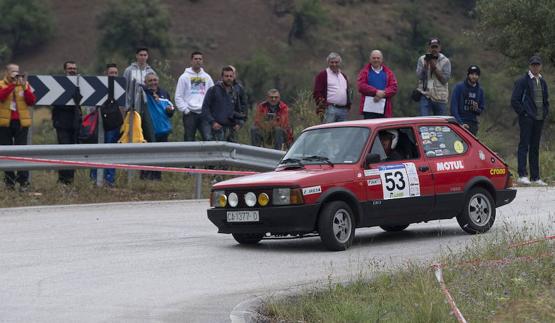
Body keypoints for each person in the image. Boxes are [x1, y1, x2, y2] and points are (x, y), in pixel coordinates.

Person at [511, 55, 550, 186]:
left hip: (539, 119)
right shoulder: (523, 81)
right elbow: (515, 100)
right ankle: (522, 175)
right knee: (524, 145)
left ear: (541, 66)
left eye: (538, 65)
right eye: (533, 65)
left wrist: (544, 113)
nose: (535, 67)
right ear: (530, 66)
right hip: (527, 118)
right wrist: (524, 113)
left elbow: (546, 101)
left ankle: (535, 177)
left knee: (535, 147)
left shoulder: (542, 82)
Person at [0, 64, 36, 191]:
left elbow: (31, 101)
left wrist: (24, 87)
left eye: (17, 71)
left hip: (21, 123)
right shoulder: (2, 84)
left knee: (22, 153)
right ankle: (9, 182)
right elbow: (1, 96)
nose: (16, 74)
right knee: (7, 153)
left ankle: (23, 181)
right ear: (7, 72)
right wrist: (12, 86)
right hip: (5, 124)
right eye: (13, 71)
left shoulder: (24, 84)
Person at [90, 63, 122, 186]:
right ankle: (94, 178)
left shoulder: (121, 87)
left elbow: (124, 106)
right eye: (111, 73)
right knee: (96, 151)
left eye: (115, 73)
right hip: (98, 123)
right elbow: (91, 107)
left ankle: (109, 179)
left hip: (113, 124)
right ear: (105, 74)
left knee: (110, 151)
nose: (113, 75)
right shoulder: (98, 86)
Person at [139, 72, 175, 180]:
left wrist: (170, 111)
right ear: (145, 82)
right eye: (150, 81)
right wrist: (151, 92)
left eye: (155, 80)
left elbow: (171, 110)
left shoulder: (164, 92)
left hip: (163, 130)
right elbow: (139, 86)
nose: (153, 83)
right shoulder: (143, 92)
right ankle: (145, 177)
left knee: (160, 156)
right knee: (147, 155)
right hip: (148, 130)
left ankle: (157, 177)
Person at [52, 61, 82, 185]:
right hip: (62, 123)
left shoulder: (80, 83)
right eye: (70, 68)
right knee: (64, 151)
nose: (72, 70)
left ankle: (70, 180)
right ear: (65, 70)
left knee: (73, 153)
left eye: (74, 68)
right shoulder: (59, 84)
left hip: (75, 123)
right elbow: (54, 102)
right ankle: (63, 180)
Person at [175, 51, 214, 141]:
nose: (198, 61)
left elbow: (212, 95)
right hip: (190, 114)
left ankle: (208, 155)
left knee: (208, 138)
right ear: (191, 61)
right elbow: (178, 96)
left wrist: (209, 110)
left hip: (204, 114)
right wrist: (186, 110)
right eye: (195, 59)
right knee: (189, 139)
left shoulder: (207, 77)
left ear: (202, 61)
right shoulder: (184, 77)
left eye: (200, 59)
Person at [201, 66, 244, 142]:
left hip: (230, 130)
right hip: (216, 129)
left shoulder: (235, 92)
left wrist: (239, 123)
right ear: (222, 77)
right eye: (226, 76)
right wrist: (213, 122)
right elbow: (205, 108)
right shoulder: (213, 90)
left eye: (231, 76)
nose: (229, 78)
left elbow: (238, 110)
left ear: (233, 77)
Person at [357, 50, 398, 119]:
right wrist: (376, 92)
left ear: (381, 59)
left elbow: (394, 87)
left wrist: (383, 93)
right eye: (374, 58)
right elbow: (361, 86)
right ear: (370, 59)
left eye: (378, 58)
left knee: (384, 129)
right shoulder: (364, 72)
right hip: (369, 109)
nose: (376, 60)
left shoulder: (388, 72)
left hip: (385, 109)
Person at [312, 52, 352, 123]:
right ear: (328, 62)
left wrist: (348, 105)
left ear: (339, 63)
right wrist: (323, 106)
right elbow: (317, 92)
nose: (334, 64)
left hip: (343, 110)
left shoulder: (343, 76)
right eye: (332, 62)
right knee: (328, 132)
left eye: (336, 62)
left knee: (342, 132)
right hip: (330, 109)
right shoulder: (323, 75)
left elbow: (347, 92)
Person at [416, 38, 451, 116]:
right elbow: (419, 76)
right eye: (432, 47)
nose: (434, 49)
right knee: (424, 121)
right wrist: (425, 66)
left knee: (440, 124)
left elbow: (444, 80)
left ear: (440, 48)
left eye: (436, 47)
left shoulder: (446, 61)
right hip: (425, 94)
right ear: (429, 48)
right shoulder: (422, 59)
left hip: (440, 96)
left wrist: (433, 66)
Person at [450, 65, 485, 135]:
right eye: (472, 74)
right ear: (468, 74)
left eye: (476, 75)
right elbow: (453, 108)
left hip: (473, 124)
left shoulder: (480, 90)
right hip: (459, 121)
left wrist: (476, 109)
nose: (474, 76)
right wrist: (460, 123)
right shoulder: (459, 87)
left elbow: (481, 110)